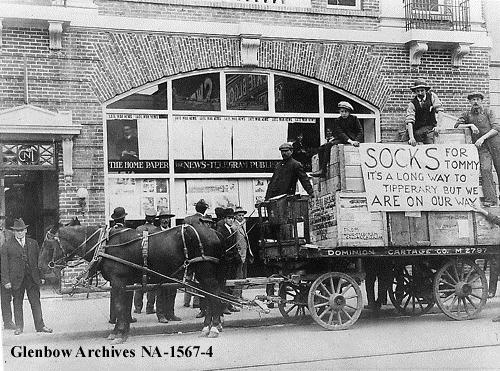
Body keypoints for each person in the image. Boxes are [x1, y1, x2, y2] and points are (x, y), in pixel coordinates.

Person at [0, 218, 52, 335]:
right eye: (17, 230)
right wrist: (6, 281)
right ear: (13, 232)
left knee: (35, 302)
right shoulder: (7, 246)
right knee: (17, 302)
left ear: (26, 230)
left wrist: (42, 276)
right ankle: (19, 327)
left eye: (22, 230)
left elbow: (39, 261)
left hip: (32, 278)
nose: (19, 232)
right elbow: (4, 266)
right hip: (16, 279)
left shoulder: (33, 243)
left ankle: (40, 326)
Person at [455, 92, 500, 206]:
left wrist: (483, 138)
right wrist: (470, 125)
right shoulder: (467, 114)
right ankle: (491, 199)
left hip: (495, 144)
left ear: (481, 101)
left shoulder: (488, 112)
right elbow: (457, 125)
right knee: (485, 169)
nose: (475, 102)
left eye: (478, 99)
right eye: (473, 100)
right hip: (483, 147)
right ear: (470, 102)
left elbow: (496, 128)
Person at [312, 102, 364, 177]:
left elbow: (360, 131)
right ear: (339, 112)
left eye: (346, 111)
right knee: (321, 148)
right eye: (342, 111)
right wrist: (350, 141)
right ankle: (322, 170)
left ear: (349, 112)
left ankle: (323, 170)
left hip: (353, 140)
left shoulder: (354, 119)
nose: (344, 113)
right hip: (343, 139)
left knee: (329, 144)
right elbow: (340, 133)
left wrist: (356, 141)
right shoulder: (338, 121)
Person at [108, 207, 137, 325]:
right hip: (126, 267)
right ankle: (127, 316)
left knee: (114, 293)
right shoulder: (128, 232)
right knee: (128, 292)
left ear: (114, 219)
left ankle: (113, 317)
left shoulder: (110, 232)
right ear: (124, 218)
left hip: (112, 267)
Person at [183, 199, 209, 314]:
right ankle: (197, 302)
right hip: (202, 254)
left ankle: (186, 300)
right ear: (205, 209)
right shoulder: (205, 220)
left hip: (189, 253)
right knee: (200, 278)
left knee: (189, 276)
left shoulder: (188, 219)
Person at [156, 209, 181, 323]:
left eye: (167, 218)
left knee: (172, 290)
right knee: (161, 290)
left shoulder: (173, 233)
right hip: (160, 266)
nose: (165, 220)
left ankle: (170, 313)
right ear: (160, 220)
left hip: (172, 266)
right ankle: (161, 314)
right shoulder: (155, 233)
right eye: (163, 218)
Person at [216, 208, 241, 314]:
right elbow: (222, 248)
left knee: (231, 284)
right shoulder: (221, 231)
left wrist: (237, 257)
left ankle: (230, 304)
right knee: (225, 284)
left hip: (233, 261)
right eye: (229, 218)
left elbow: (234, 246)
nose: (231, 220)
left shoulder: (232, 230)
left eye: (232, 218)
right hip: (225, 262)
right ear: (225, 219)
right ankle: (223, 306)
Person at [134, 208, 158, 315]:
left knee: (138, 283)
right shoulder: (156, 230)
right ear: (154, 219)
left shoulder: (138, 229)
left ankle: (138, 307)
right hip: (152, 259)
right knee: (152, 284)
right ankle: (150, 307)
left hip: (139, 259)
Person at [405, 79, 443, 146]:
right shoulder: (412, 104)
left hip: (430, 127)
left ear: (425, 90)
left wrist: (438, 126)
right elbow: (409, 121)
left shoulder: (432, 96)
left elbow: (439, 110)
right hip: (417, 130)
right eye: (418, 91)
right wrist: (411, 138)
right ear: (415, 92)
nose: (420, 93)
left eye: (422, 90)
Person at [231, 206, 254, 298]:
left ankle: (240, 295)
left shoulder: (242, 225)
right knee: (238, 276)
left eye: (242, 215)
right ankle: (236, 296)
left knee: (243, 276)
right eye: (239, 215)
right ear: (235, 216)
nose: (241, 217)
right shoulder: (234, 226)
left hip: (245, 254)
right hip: (239, 255)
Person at [0, 217, 15, 330]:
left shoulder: (10, 234)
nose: (0, 221)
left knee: (6, 297)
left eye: (1, 219)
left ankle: (8, 322)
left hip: (6, 270)